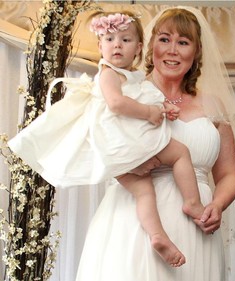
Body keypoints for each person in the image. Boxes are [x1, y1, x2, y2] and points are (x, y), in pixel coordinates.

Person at [8, 11, 207, 267]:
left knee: (145, 193)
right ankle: (192, 203)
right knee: (180, 153)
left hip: (114, 153)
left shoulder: (133, 78)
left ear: (137, 48)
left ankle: (158, 236)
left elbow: (148, 96)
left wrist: (165, 107)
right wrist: (149, 113)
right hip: (122, 146)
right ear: (100, 45)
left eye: (125, 40)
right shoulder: (108, 74)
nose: (117, 45)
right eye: (109, 39)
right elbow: (115, 103)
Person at [75, 6, 235, 281]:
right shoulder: (128, 92)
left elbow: (228, 174)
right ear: (149, 45)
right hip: (135, 221)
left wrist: (218, 204)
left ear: (197, 51)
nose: (172, 50)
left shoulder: (215, 105)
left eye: (183, 42)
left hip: (196, 227)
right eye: (164, 39)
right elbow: (98, 146)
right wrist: (130, 163)